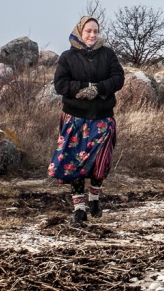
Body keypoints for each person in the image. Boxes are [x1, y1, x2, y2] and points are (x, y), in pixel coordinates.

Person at [48, 16, 125, 225]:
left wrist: (98, 89)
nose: (92, 35)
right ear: (79, 33)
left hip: (102, 118)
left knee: (100, 162)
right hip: (75, 118)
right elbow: (60, 84)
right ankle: (79, 208)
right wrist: (82, 88)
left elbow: (118, 78)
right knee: (75, 163)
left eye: (95, 31)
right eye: (88, 31)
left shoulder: (108, 54)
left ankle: (95, 198)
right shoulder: (67, 57)